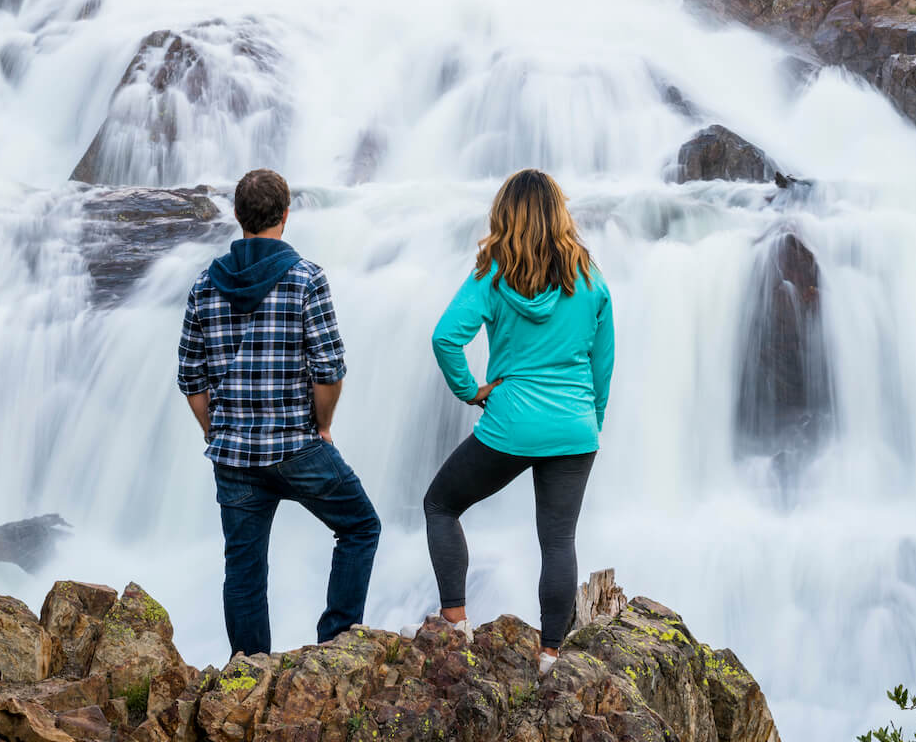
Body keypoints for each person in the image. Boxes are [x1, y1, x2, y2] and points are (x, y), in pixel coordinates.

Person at [177, 168, 380, 657]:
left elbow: (192, 380)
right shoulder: (306, 279)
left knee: (244, 572)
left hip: (233, 454)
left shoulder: (205, 285)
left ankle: (250, 674)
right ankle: (334, 648)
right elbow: (328, 370)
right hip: (297, 446)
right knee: (360, 527)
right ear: (286, 216)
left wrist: (218, 431)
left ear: (237, 216)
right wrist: (324, 425)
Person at [424, 168, 615, 675]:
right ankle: (551, 654)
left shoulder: (492, 274)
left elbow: (446, 338)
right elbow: (602, 366)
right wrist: (590, 423)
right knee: (558, 542)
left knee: (441, 504)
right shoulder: (590, 277)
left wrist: (472, 391)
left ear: (504, 215)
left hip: (511, 424)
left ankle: (455, 621)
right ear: (560, 214)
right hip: (575, 428)